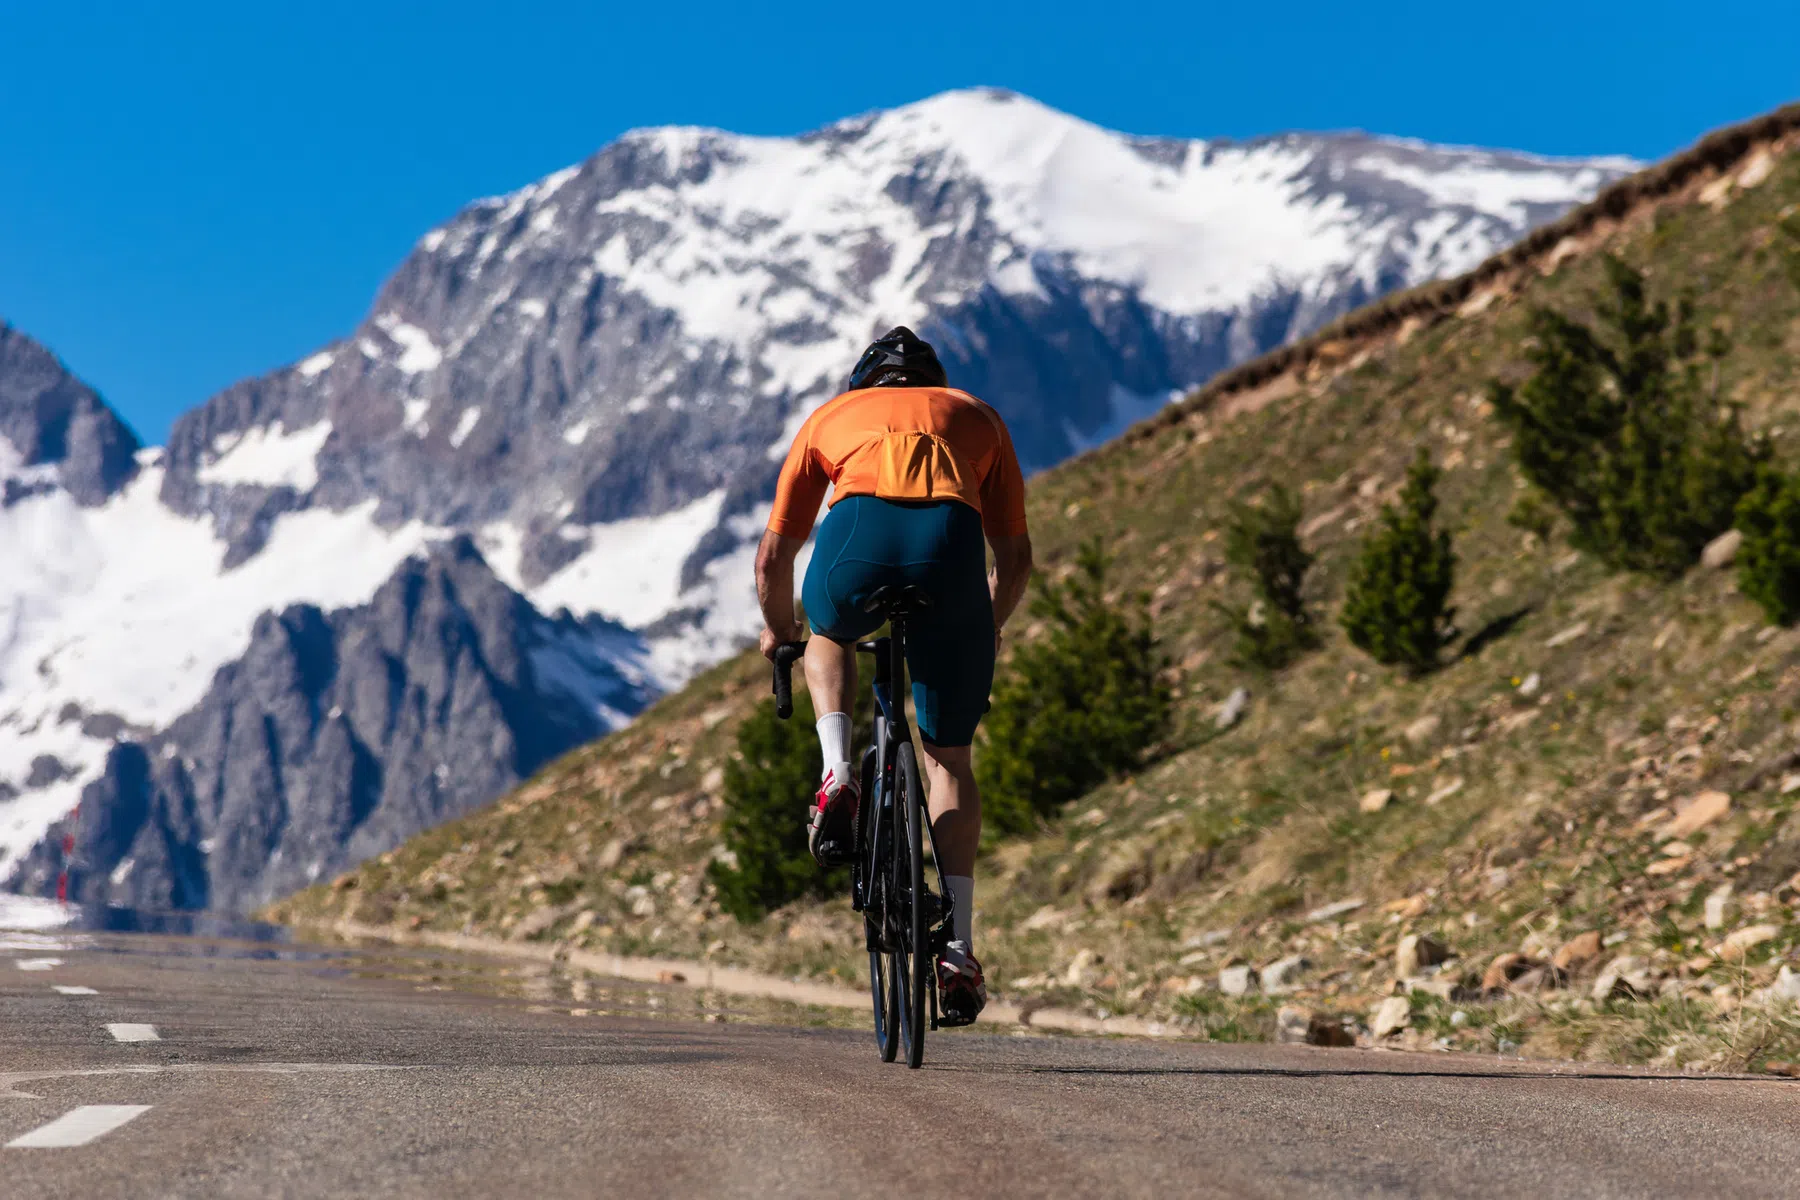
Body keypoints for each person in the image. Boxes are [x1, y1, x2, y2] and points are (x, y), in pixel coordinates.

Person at [754, 326, 1033, 1027]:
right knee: (948, 763)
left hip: (857, 546)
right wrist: (985, 623)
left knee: (831, 634)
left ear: (864, 382)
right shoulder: (977, 414)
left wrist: (785, 632)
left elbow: (771, 559)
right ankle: (960, 947)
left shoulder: (830, 417)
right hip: (952, 557)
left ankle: (836, 774)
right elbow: (1016, 556)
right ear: (935, 383)